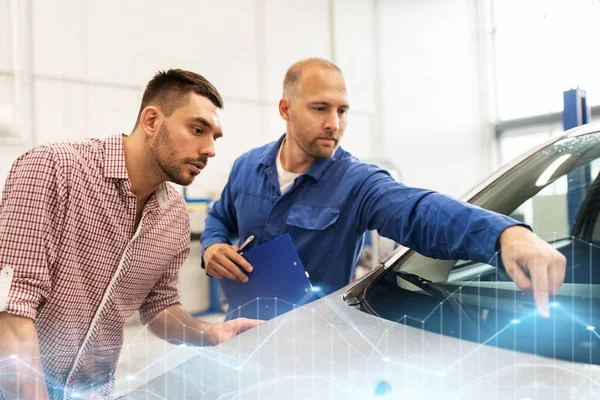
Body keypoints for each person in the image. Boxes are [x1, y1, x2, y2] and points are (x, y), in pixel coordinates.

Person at [201, 58, 566, 319]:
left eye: (342, 110)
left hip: (309, 340)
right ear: (286, 108)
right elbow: (220, 216)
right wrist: (212, 246)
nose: (334, 123)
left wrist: (505, 234)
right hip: (240, 329)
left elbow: (417, 210)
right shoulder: (248, 167)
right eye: (320, 108)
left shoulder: (355, 182)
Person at [0, 69, 262, 400]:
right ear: (151, 121)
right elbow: (11, 308)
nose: (210, 149)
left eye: (215, 138)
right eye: (198, 130)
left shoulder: (173, 216)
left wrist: (209, 332)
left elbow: (159, 308)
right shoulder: (54, 168)